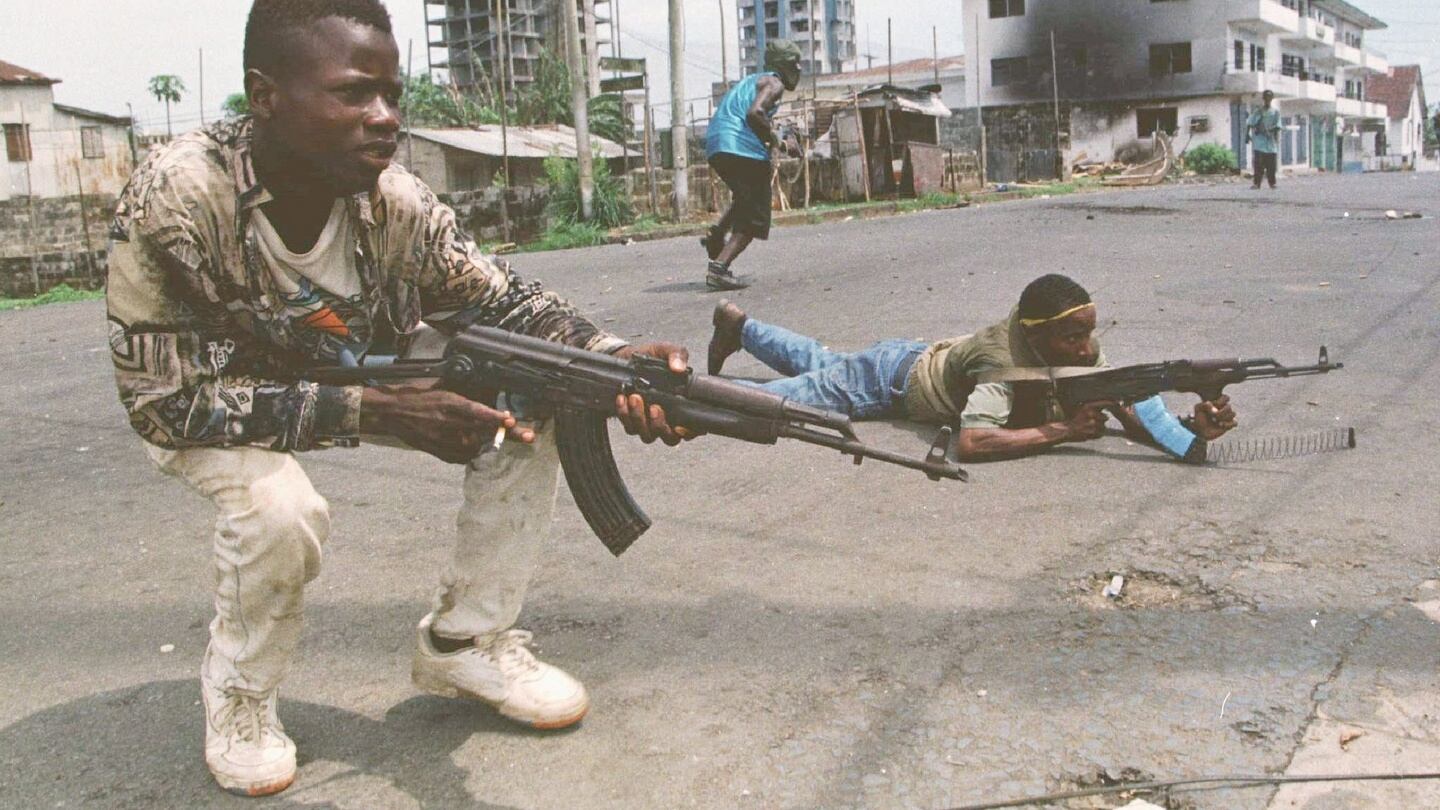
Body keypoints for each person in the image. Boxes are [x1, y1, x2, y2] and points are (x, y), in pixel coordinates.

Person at [106, 0, 692, 797]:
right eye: (353, 94)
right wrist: (379, 413)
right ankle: (240, 696)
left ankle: (466, 643)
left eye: (392, 96)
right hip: (217, 396)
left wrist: (612, 357)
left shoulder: (396, 202)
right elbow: (164, 404)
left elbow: (505, 302)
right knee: (280, 510)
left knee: (544, 386)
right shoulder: (179, 200)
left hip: (353, 368)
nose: (383, 119)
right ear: (265, 96)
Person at [705, 274, 1238, 462]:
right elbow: (972, 443)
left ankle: (740, 326)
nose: (1087, 348)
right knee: (781, 398)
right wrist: (1061, 430)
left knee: (819, 363)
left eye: (1088, 333)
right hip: (887, 382)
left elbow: (1129, 410)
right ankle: (685, 386)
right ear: (1036, 334)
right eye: (1073, 336)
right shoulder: (1003, 362)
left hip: (911, 357)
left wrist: (1188, 432)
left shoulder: (1075, 349)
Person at [699, 40, 804, 291]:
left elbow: (750, 114)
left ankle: (718, 232)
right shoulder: (774, 83)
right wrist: (780, 142)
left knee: (745, 197)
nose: (798, 70)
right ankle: (719, 269)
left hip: (717, 144)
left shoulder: (752, 80)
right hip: (740, 147)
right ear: (785, 65)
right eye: (795, 64)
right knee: (756, 215)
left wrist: (773, 136)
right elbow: (755, 113)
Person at [1246, 90, 1281, 190]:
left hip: (1271, 143)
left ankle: (1272, 183)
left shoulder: (1275, 112)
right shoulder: (1258, 111)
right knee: (1258, 165)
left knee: (1271, 166)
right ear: (1263, 98)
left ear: (1272, 98)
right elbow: (1250, 122)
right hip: (1259, 142)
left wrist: (1271, 130)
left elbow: (1278, 126)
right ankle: (1257, 183)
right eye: (1266, 97)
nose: (1267, 99)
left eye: (1269, 97)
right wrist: (1246, 135)